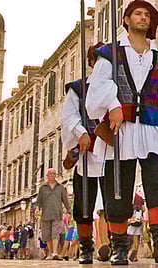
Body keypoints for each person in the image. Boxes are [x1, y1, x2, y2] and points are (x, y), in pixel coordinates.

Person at [84, 0, 158, 264]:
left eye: (147, 15)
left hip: (151, 128)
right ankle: (119, 246)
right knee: (119, 186)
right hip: (122, 129)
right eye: (137, 14)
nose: (143, 18)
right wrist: (112, 104)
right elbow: (98, 87)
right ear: (127, 20)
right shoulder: (110, 54)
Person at [61, 43, 106, 264]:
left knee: (115, 202)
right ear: (91, 63)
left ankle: (117, 245)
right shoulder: (78, 88)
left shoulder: (115, 87)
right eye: (98, 60)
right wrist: (80, 133)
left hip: (111, 153)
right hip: (87, 154)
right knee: (84, 205)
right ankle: (86, 248)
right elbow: (69, 116)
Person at [36, 166, 71, 261]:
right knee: (47, 234)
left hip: (57, 213)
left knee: (55, 233)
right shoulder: (42, 188)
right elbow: (38, 201)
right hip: (46, 214)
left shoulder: (61, 187)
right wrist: (37, 209)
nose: (52, 175)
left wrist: (69, 210)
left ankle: (55, 252)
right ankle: (51, 253)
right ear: (47, 176)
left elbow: (65, 200)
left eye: (54, 174)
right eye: (50, 174)